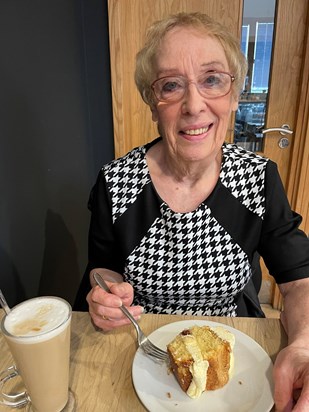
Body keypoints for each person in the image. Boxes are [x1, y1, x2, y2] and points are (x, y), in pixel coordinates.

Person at [74, 12, 309, 411]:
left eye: (212, 79)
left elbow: (299, 280)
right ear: (153, 105)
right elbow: (102, 268)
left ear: (234, 97)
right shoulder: (115, 183)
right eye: (171, 86)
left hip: (237, 350)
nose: (193, 105)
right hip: (143, 352)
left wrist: (303, 344)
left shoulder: (259, 179)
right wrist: (107, 296)